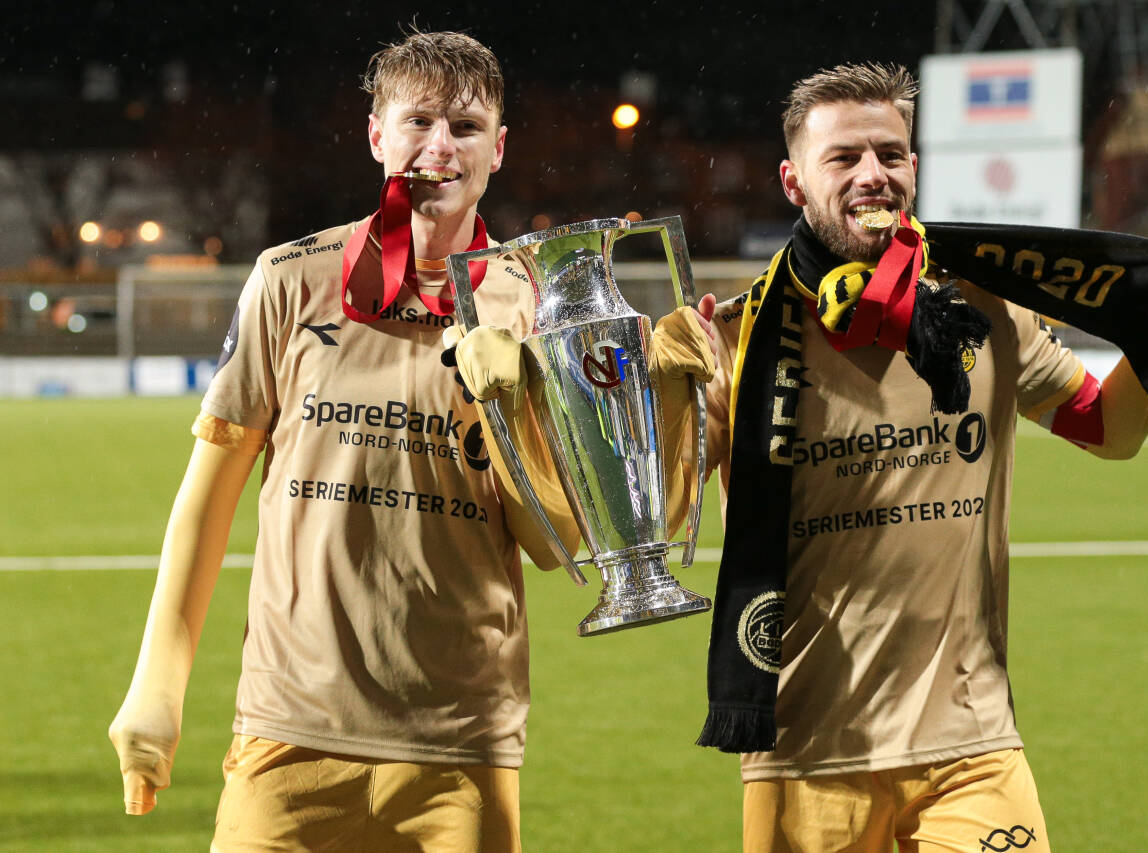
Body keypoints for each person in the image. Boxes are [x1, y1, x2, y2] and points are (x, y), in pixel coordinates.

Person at [106, 29, 709, 852]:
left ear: (497, 149)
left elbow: (553, 541)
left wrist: (517, 415)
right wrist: (156, 687)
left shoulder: (533, 301)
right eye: (418, 121)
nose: (439, 147)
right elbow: (203, 503)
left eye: (464, 128)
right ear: (375, 135)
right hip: (289, 732)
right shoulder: (291, 277)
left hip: (461, 745)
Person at [677, 62, 1148, 852]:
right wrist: (658, 387)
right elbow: (650, 508)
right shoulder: (739, 338)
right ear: (793, 182)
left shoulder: (984, 303)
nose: (874, 175)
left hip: (972, 745)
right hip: (808, 753)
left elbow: (1105, 428)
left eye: (891, 154)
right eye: (844, 158)